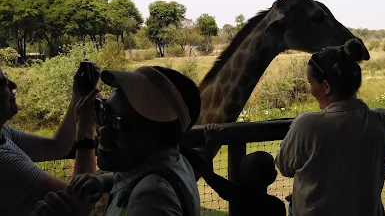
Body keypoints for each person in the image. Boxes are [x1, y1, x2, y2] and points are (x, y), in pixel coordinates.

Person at [33, 65, 201, 216]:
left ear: (159, 138)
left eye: (119, 124)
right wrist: (100, 181)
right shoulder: (168, 163)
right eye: (105, 112)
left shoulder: (152, 199)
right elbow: (132, 177)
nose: (103, 130)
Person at [275, 39, 385, 216]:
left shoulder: (307, 125)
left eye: (311, 83)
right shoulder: (384, 119)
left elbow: (284, 167)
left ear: (326, 86)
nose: (310, 90)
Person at [0, 62, 100, 216]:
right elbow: (79, 199)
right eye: (2, 83)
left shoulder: (4, 133)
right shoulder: (5, 162)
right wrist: (86, 132)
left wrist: (78, 96)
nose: (13, 85)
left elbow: (57, 146)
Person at [182, 124, 286, 216]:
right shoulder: (277, 206)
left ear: (241, 175)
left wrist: (209, 146)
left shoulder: (237, 196)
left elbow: (208, 174)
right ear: (272, 177)